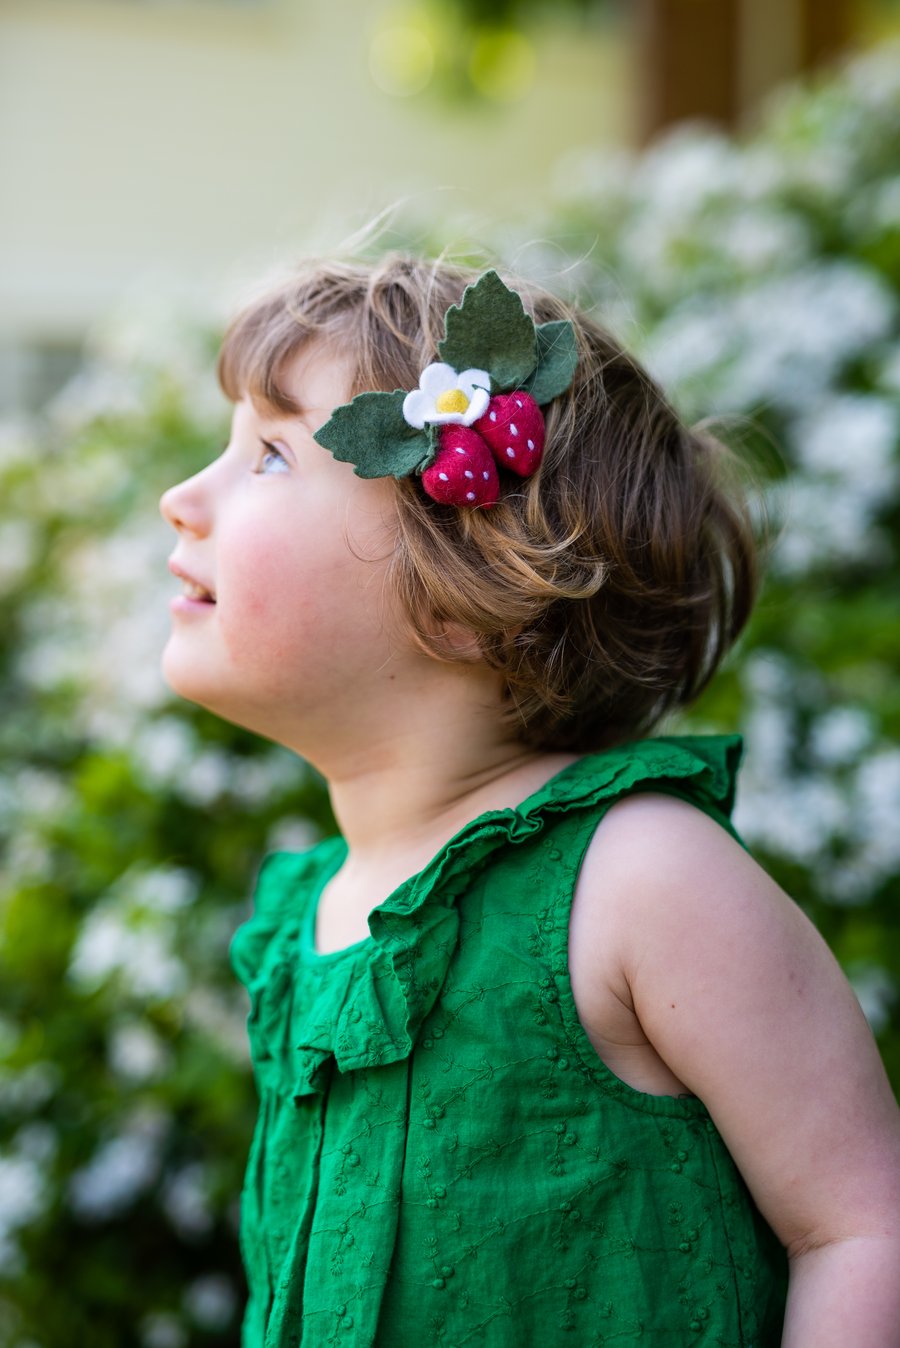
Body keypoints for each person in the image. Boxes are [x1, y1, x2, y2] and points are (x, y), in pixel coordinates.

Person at [158, 251, 900, 1347]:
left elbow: (863, 1226)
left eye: (268, 456)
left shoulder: (641, 879)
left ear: (468, 590)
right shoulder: (306, 917)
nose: (183, 498)